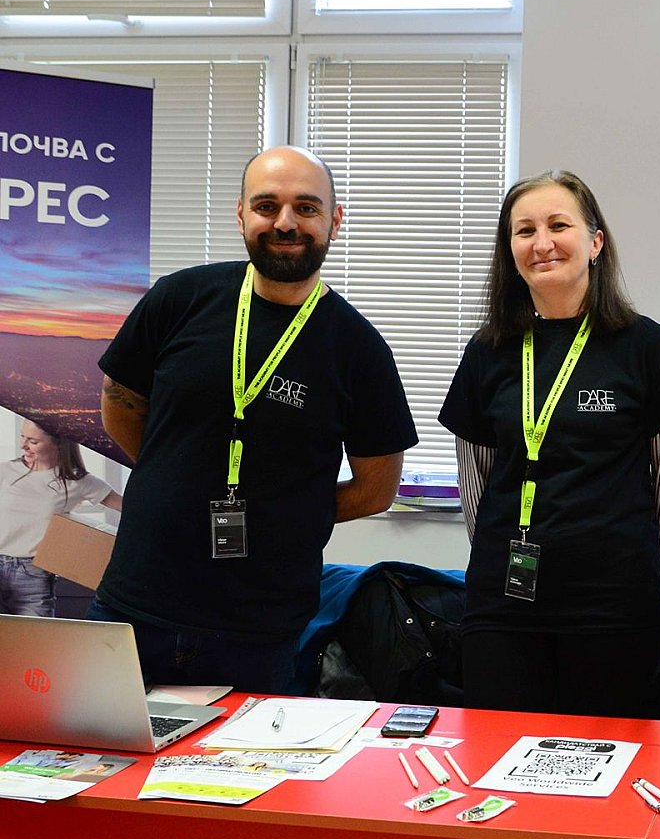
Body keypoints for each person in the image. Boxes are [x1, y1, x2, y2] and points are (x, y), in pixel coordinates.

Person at [93, 145, 416, 692]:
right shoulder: (180, 298)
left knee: (241, 753)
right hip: (135, 605)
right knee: (93, 746)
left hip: (260, 630)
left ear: (335, 220)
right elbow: (119, 404)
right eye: (267, 206)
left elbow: (375, 490)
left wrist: (288, 516)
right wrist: (173, 476)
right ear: (241, 214)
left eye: (306, 208)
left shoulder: (358, 348)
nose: (285, 222)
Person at [439, 170, 660, 719]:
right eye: (524, 230)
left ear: (595, 242)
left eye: (559, 225)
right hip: (504, 605)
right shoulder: (487, 351)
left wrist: (634, 570)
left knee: (617, 758)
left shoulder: (647, 347)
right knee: (498, 755)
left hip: (615, 606)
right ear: (510, 251)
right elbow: (476, 486)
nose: (542, 243)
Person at [1, 419, 122, 617]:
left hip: (34, 574)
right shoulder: (5, 471)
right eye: (22, 437)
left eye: (33, 441)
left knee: (34, 634)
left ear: (58, 443)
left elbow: (131, 509)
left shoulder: (77, 481)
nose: (23, 445)